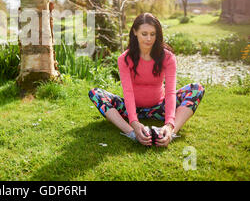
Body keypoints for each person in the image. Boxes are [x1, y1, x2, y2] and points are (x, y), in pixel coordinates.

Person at [88, 13, 205, 147]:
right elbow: (128, 91)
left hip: (160, 108)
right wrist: (134, 123)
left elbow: (170, 92)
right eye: (144, 34)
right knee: (96, 93)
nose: (149, 38)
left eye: (153, 34)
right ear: (135, 32)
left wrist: (169, 124)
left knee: (197, 89)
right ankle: (131, 133)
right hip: (130, 109)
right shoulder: (124, 59)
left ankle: (170, 133)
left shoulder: (168, 57)